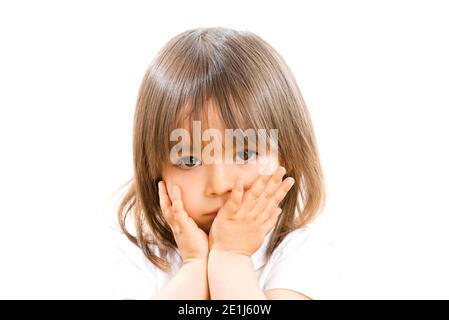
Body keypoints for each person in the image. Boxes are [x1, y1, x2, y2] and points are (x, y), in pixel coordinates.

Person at [110, 26, 328, 300]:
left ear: (289, 154)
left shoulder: (301, 253)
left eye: (246, 154)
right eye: (189, 160)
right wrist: (193, 266)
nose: (220, 185)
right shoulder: (138, 258)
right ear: (154, 170)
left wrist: (230, 255)